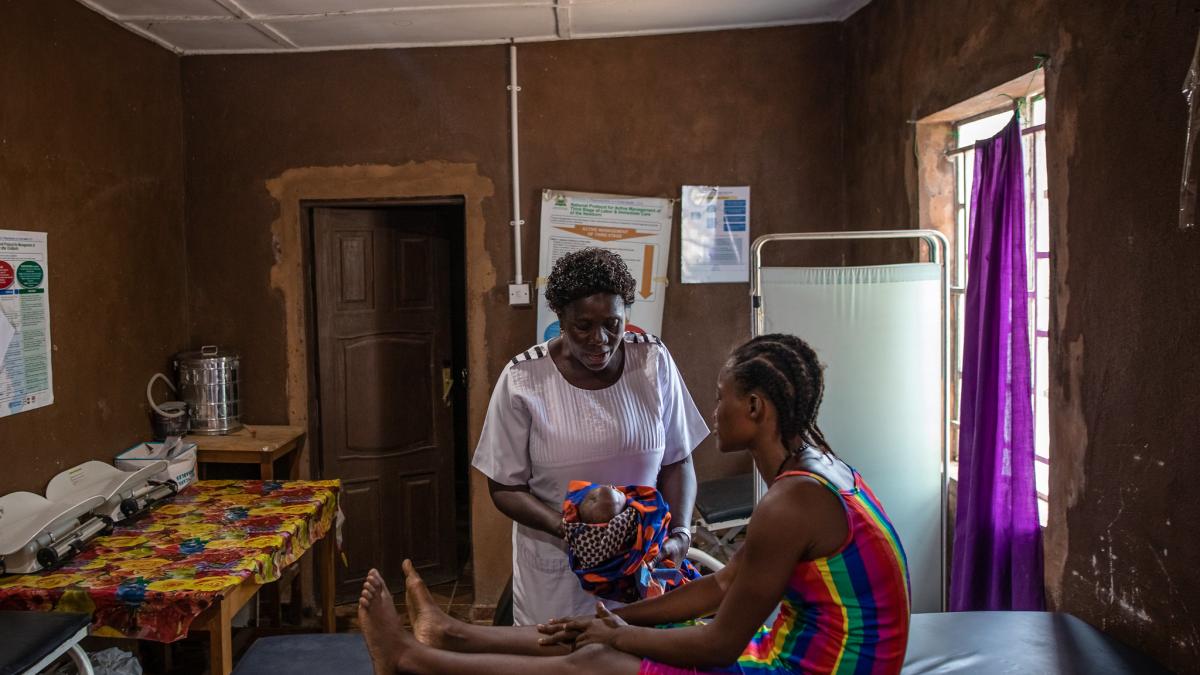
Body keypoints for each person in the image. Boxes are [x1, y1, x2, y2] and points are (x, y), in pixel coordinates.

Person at [357, 334, 913, 675]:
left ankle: (413, 660)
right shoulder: (812, 472)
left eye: (720, 399)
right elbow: (721, 586)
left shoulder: (790, 503)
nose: (713, 412)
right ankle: (452, 634)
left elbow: (720, 643)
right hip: (802, 653)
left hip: (813, 669)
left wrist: (617, 636)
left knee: (599, 660)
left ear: (755, 406)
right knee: (599, 632)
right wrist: (616, 618)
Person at [471, 247, 709, 624]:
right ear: (561, 321)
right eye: (583, 326)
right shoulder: (522, 379)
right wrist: (567, 530)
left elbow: (678, 460)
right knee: (560, 660)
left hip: (640, 567)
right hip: (557, 574)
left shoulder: (652, 361)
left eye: (613, 323)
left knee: (631, 659)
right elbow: (504, 487)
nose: (600, 339)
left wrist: (680, 532)